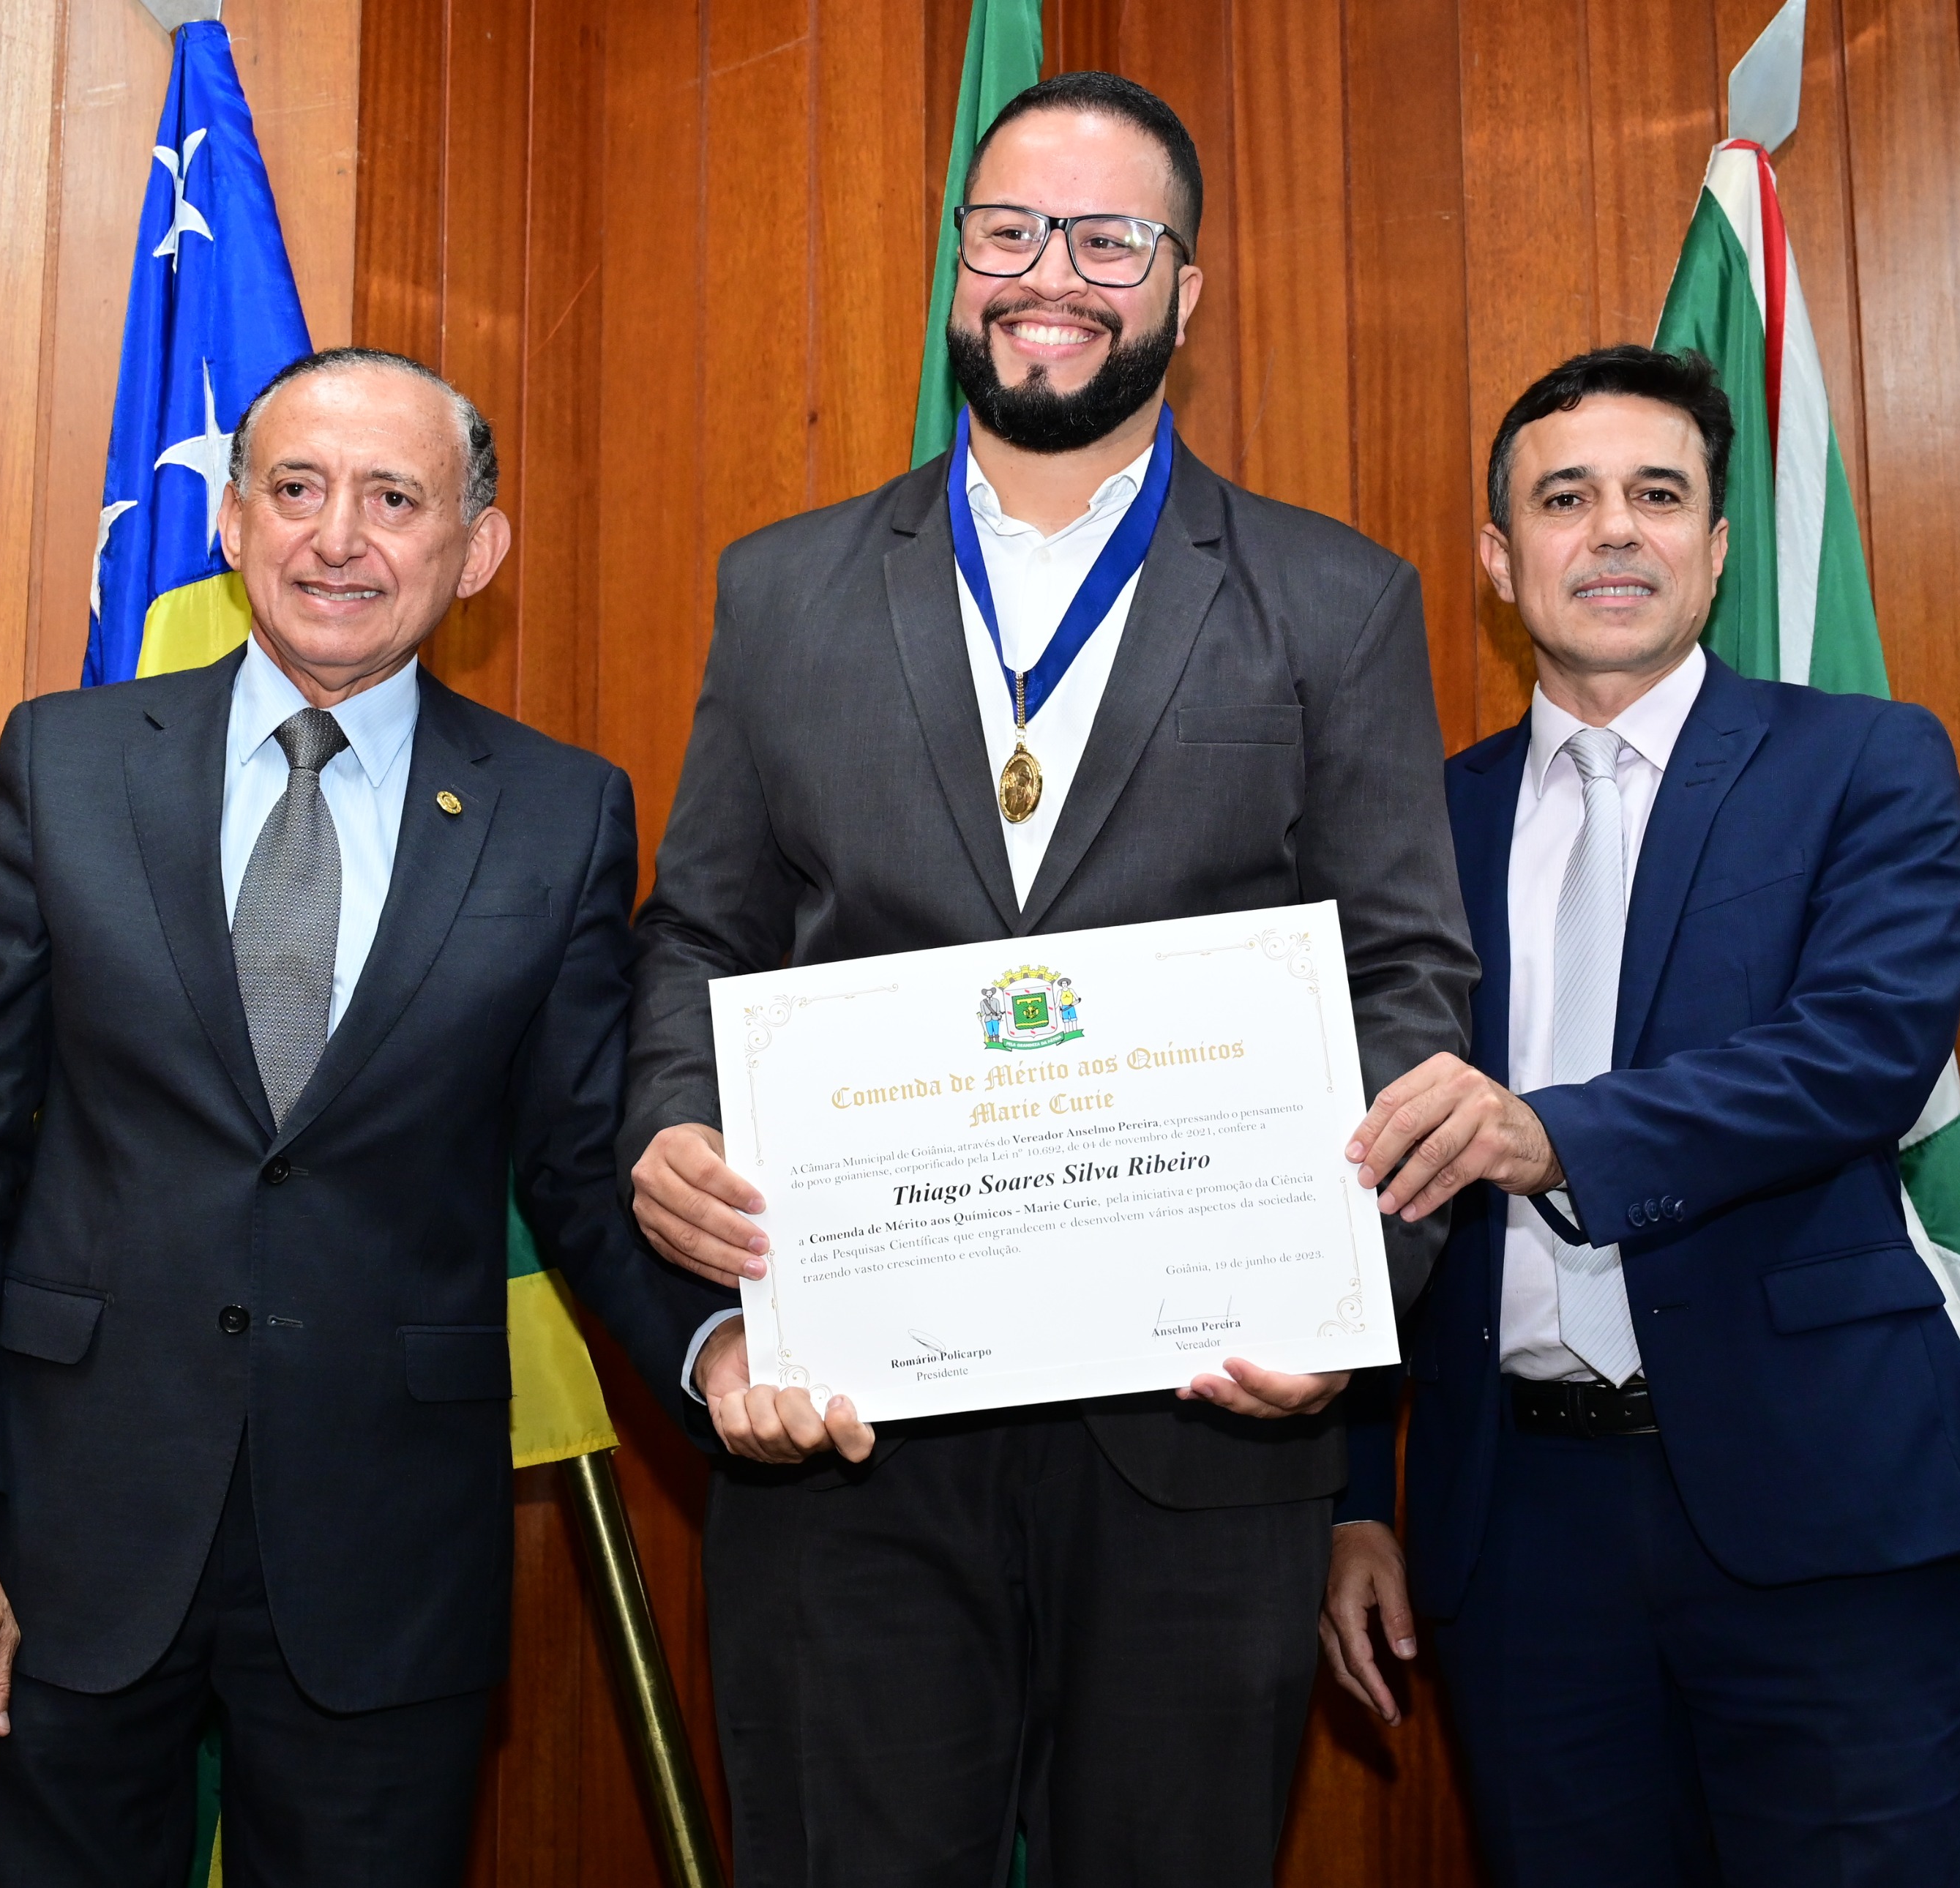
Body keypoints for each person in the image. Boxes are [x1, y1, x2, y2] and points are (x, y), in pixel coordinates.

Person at [621, 72, 1475, 1887]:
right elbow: (698, 933)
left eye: (1107, 239)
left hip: (1203, 1436)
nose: (1049, 276)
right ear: (959, 262)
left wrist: (1344, 1294)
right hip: (848, 1436)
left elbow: (1402, 976)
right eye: (1007, 231)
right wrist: (677, 1134)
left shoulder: (1335, 600)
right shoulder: (782, 591)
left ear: (1184, 286)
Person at [0, 348, 729, 1887]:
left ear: (477, 549)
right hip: (64, 1539)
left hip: (387, 1558)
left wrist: (719, 1349)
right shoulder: (65, 765)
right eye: (297, 488)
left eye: (394, 499)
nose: (338, 538)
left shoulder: (560, 812)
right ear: (231, 520)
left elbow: (582, 1168)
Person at [1320, 346, 1960, 1887]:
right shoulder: (1417, 821)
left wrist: (1558, 1137)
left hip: (1817, 1499)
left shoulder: (1863, 763)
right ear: (1499, 559)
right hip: (1517, 1529)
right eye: (1564, 500)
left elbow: (1860, 1051)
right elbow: (1358, 1160)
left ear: (1715, 549)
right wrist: (1350, 1503)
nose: (1615, 533)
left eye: (1658, 496)